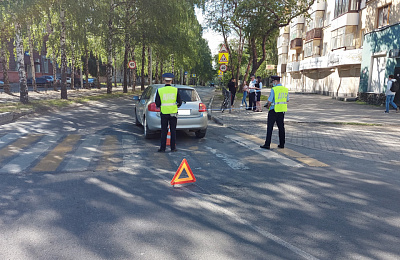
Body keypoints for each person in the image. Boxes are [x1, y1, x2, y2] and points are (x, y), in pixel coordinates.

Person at [155, 73, 182, 152]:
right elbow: (179, 102)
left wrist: (161, 106)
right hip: (173, 113)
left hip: (164, 113)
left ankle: (162, 148)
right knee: (173, 131)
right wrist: (176, 106)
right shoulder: (175, 90)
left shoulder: (160, 90)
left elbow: (157, 103)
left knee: (164, 131)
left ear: (164, 80)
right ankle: (173, 148)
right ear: (171, 81)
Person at [260, 75, 289, 149]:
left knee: (270, 127)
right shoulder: (285, 89)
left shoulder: (274, 89)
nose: (272, 83)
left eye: (273, 81)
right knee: (281, 127)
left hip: (273, 110)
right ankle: (282, 144)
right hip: (281, 111)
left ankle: (267, 144)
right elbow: (287, 100)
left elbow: (269, 101)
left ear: (275, 81)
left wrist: (267, 106)